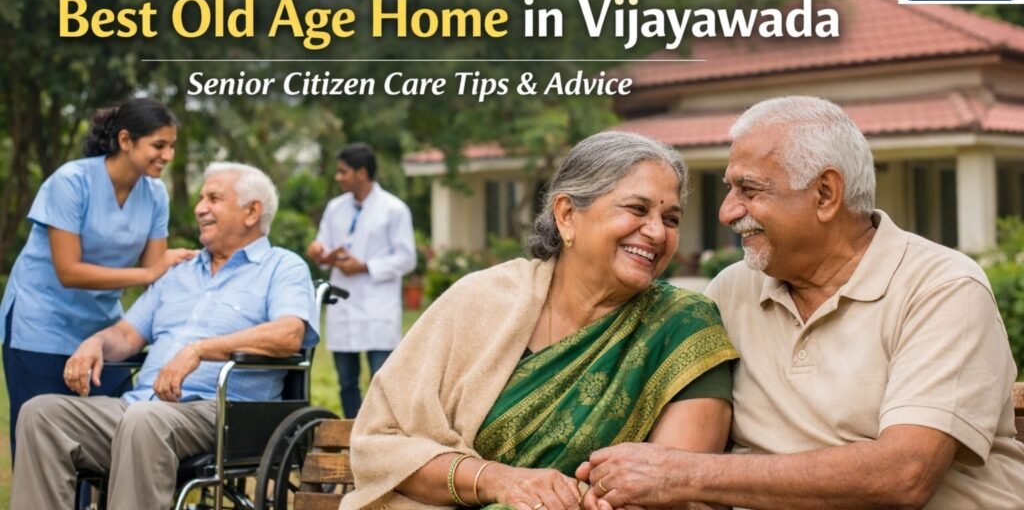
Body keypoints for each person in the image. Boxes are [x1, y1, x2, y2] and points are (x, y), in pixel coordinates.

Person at [580, 96, 1024, 509]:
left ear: (826, 194)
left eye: (749, 190)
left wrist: (686, 474)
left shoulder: (942, 287)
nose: (728, 212)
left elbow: (906, 473)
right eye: (730, 190)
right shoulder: (731, 290)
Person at [340, 132, 739, 510]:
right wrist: (497, 480)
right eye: (637, 209)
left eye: (671, 219)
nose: (656, 232)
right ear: (566, 215)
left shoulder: (682, 328)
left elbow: (670, 488)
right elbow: (381, 443)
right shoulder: (480, 301)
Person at [10, 162, 319, 509]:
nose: (200, 208)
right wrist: (94, 342)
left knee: (145, 420)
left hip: (221, 414)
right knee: (41, 414)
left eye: (214, 198)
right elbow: (127, 335)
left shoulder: (282, 267)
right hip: (143, 406)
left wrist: (201, 350)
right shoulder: (179, 272)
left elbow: (289, 334)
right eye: (201, 198)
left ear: (252, 212)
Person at [0, 97, 196, 459]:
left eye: (171, 146)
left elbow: (155, 275)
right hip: (41, 322)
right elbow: (68, 270)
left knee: (102, 443)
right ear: (126, 141)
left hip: (101, 330)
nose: (167, 155)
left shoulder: (154, 195)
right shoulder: (71, 182)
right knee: (42, 444)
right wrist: (151, 270)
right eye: (158, 145)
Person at [305, 142, 416, 418]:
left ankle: (381, 436)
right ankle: (352, 436)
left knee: (383, 380)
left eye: (343, 172)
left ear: (362, 173)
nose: (338, 177)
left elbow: (406, 258)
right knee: (346, 382)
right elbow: (323, 243)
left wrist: (365, 267)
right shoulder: (335, 208)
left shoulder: (394, 209)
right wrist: (318, 250)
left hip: (378, 306)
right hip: (343, 306)